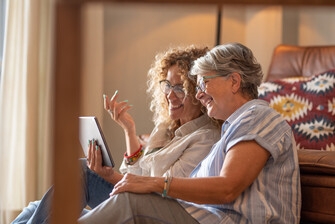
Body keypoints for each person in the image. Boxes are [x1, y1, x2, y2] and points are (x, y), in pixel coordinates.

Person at [77, 42, 301, 224]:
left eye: (203, 83)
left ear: (234, 81)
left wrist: (156, 184)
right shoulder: (232, 128)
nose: (199, 95)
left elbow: (227, 188)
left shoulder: (257, 117)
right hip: (199, 216)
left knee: (128, 203)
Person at [11, 46, 221, 224]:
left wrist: (110, 176)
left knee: (81, 171)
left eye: (179, 88)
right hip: (136, 195)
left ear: (198, 93)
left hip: (154, 209)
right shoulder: (166, 128)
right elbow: (136, 172)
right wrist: (128, 130)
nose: (169, 95)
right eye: (167, 85)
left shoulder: (205, 138)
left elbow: (159, 189)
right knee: (34, 208)